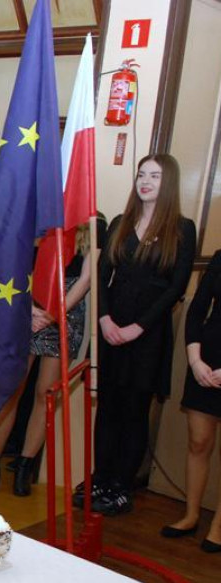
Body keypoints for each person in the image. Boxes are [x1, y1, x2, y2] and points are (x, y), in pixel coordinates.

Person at [79, 154, 196, 516]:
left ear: (169, 182)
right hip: (112, 328)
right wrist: (104, 320)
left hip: (147, 335)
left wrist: (137, 327)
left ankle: (120, 486)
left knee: (133, 411)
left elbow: (175, 287)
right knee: (108, 408)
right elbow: (101, 276)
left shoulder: (182, 228)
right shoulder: (120, 222)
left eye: (155, 176)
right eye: (142, 174)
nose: (145, 181)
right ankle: (99, 477)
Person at [0, 220, 102, 496]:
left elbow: (88, 278)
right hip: (29, 309)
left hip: (65, 315)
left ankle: (24, 466)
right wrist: (31, 308)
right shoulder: (40, 218)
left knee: (45, 395)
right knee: (11, 390)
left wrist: (55, 311)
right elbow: (16, 268)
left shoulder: (93, 220)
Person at [161, 248, 221, 553]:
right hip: (205, 364)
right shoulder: (219, 259)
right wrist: (195, 361)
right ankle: (191, 515)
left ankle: (219, 526)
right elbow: (198, 311)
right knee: (199, 441)